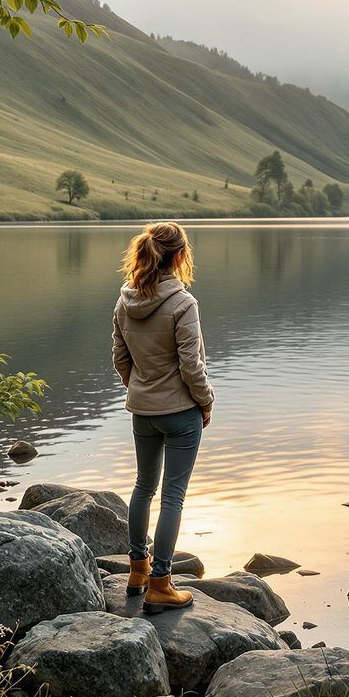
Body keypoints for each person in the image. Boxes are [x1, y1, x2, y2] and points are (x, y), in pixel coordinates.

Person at [112, 221, 214, 613]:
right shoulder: (183, 304)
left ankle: (137, 570)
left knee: (143, 487)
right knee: (173, 496)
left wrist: (138, 390)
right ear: (180, 255)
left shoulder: (124, 301)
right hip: (180, 412)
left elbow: (120, 359)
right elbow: (192, 365)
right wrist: (205, 401)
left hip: (142, 410)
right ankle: (161, 583)